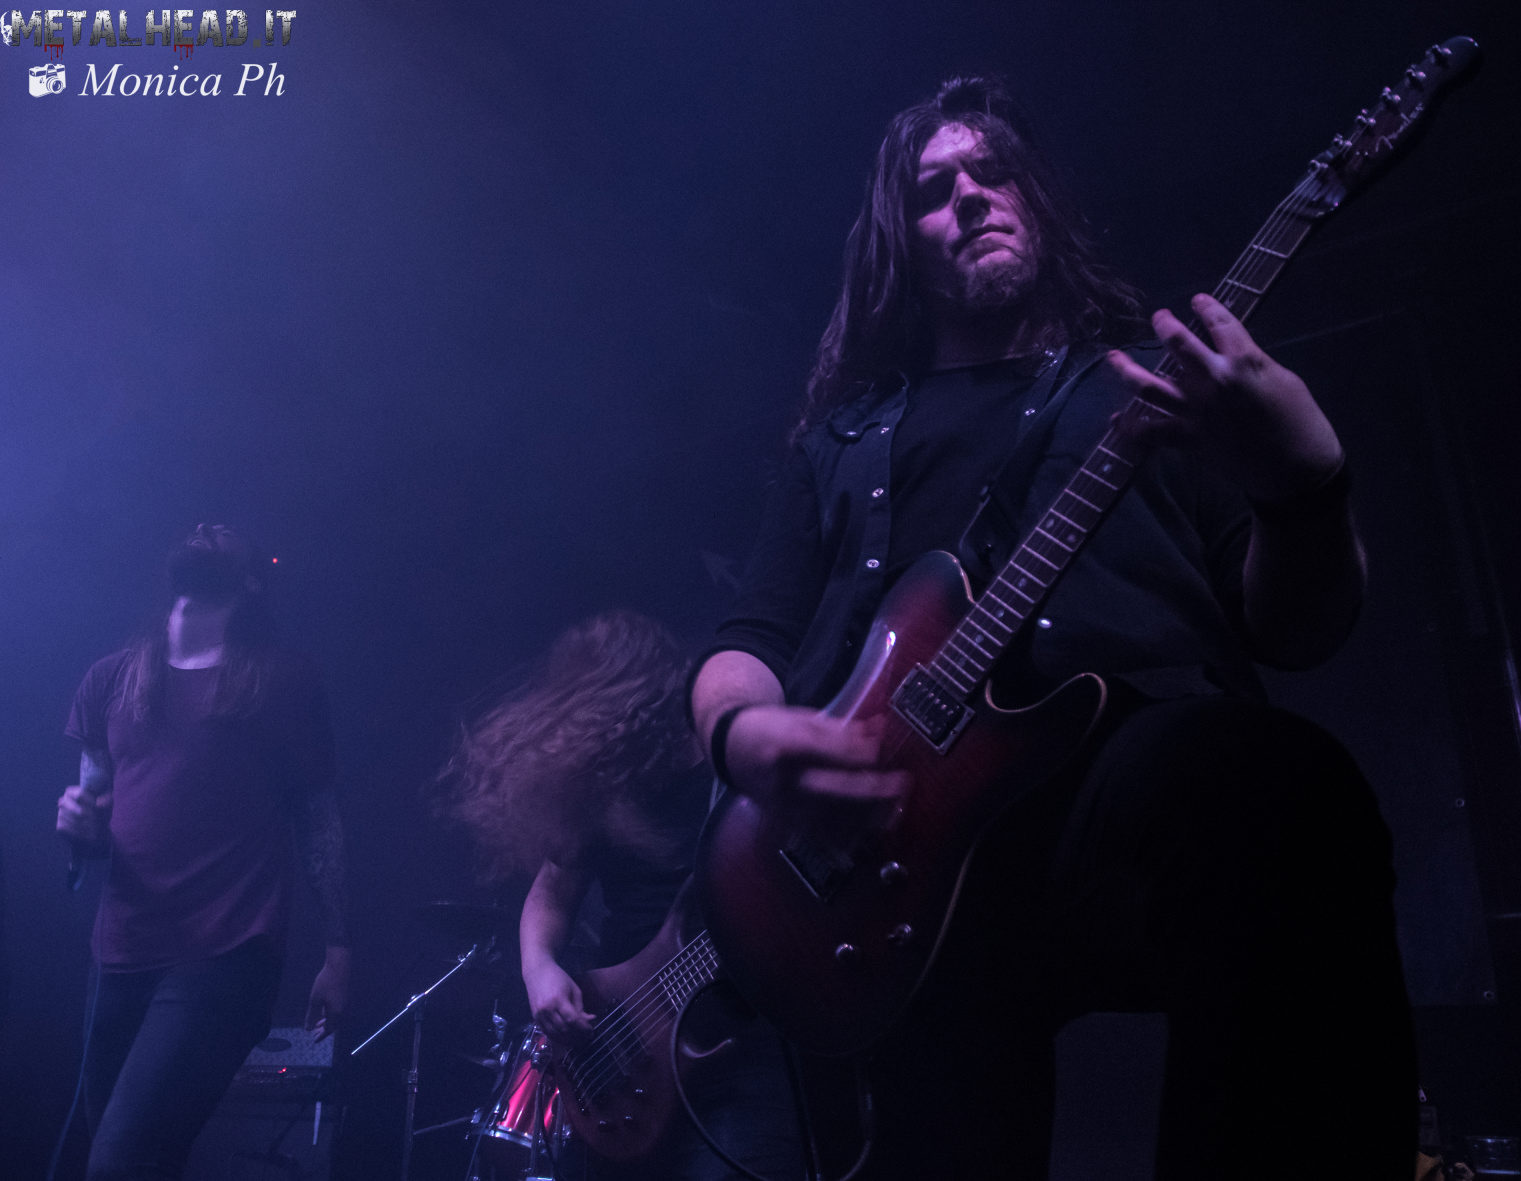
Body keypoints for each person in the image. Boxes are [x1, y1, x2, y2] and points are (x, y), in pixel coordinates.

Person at [689, 77, 1416, 1180]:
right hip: (889, 858)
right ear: (898, 242)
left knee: (1273, 783)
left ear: (1037, 197)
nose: (969, 196)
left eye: (993, 172)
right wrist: (741, 734)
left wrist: (1303, 488)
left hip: (1123, 791)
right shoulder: (842, 439)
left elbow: (1299, 629)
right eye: (933, 189)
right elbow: (746, 639)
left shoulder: (1155, 388)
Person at [438, 610, 805, 1181]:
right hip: (617, 1044)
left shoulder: (730, 759)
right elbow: (552, 890)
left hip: (741, 1038)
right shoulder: (605, 780)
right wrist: (539, 970)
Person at [55, 524, 351, 1181]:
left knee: (119, 1164)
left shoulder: (281, 679)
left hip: (224, 954)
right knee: (126, 1161)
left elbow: (319, 821)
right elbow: (96, 813)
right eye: (200, 529)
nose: (207, 530)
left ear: (252, 581)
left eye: (225, 535)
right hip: (120, 953)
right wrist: (78, 826)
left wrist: (338, 950)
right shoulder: (110, 679)